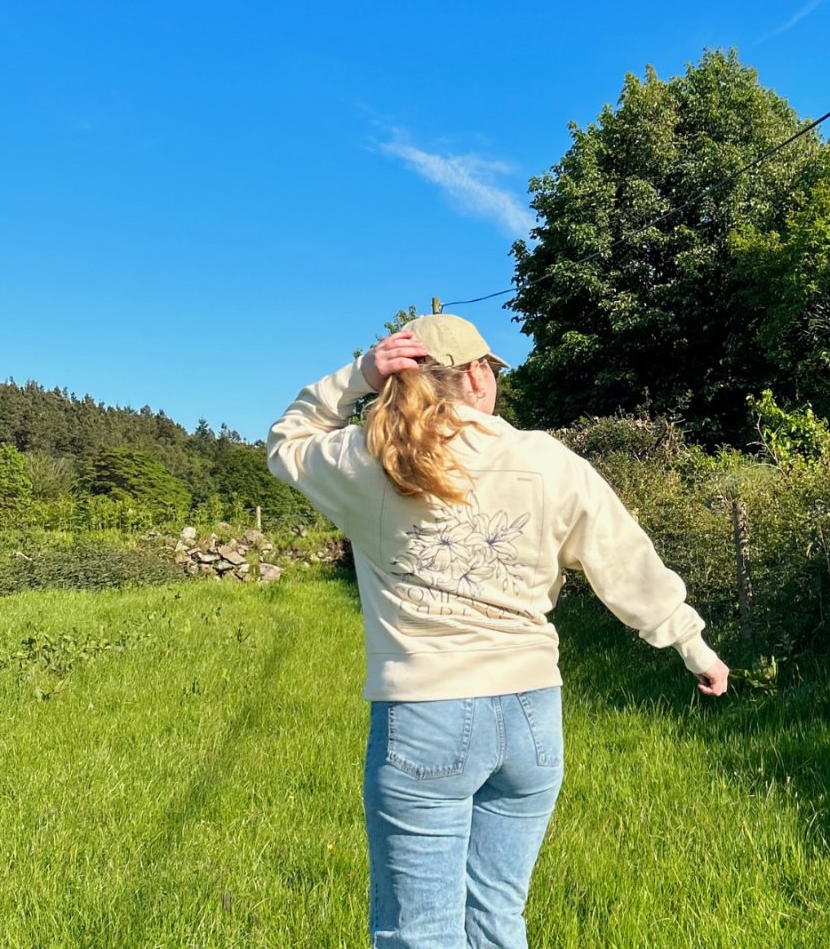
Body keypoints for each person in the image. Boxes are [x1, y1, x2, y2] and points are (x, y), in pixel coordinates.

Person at [267, 313, 729, 949]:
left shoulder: (367, 456)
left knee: (419, 933)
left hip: (422, 717)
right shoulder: (545, 460)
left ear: (398, 378)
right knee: (497, 922)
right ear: (479, 375)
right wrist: (692, 644)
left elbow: (286, 440)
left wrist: (357, 376)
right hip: (531, 717)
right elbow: (624, 561)